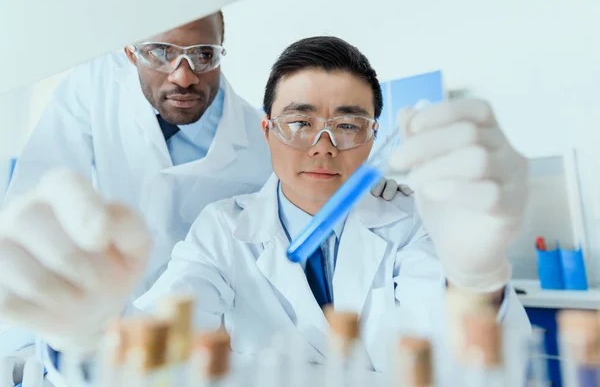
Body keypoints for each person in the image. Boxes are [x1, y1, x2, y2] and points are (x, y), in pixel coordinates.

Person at [0, 12, 404, 377]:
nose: (183, 75)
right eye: (160, 52)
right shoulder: (94, 89)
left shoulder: (402, 221)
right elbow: (32, 215)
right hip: (130, 318)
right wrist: (61, 336)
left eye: (203, 55)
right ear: (129, 52)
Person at [135, 36, 531, 374]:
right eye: (300, 123)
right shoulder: (223, 227)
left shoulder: (414, 220)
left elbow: (460, 362)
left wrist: (476, 279)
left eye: (346, 126)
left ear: (374, 137)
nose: (323, 146)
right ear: (267, 132)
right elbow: (164, 328)